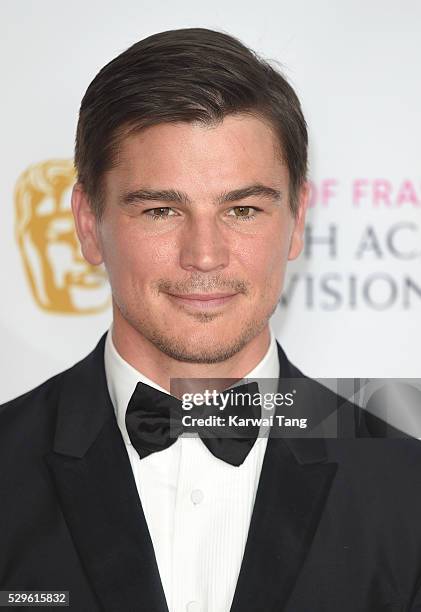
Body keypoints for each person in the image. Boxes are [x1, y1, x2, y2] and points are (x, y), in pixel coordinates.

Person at [1, 27, 421, 612]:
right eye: (161, 210)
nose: (205, 254)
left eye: (243, 209)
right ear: (88, 222)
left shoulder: (407, 489)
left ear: (298, 219)